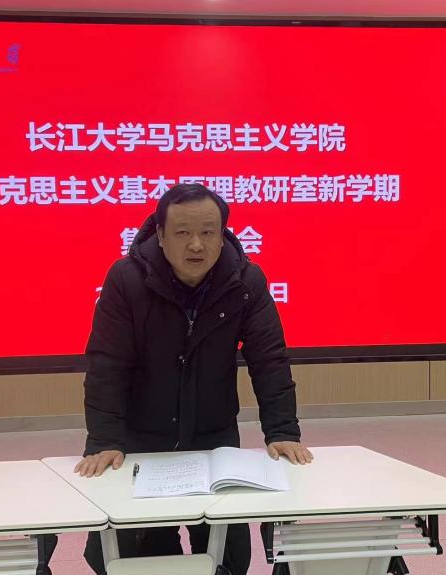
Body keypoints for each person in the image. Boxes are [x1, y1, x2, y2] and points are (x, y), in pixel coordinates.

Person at [74, 183, 313, 575]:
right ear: (160, 235)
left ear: (222, 235)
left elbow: (268, 359)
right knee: (131, 555)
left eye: (207, 232)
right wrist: (104, 441)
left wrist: (282, 431)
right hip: (142, 437)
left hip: (213, 435)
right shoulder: (127, 280)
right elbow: (107, 365)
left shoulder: (245, 281)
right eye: (183, 232)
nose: (196, 245)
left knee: (229, 557)